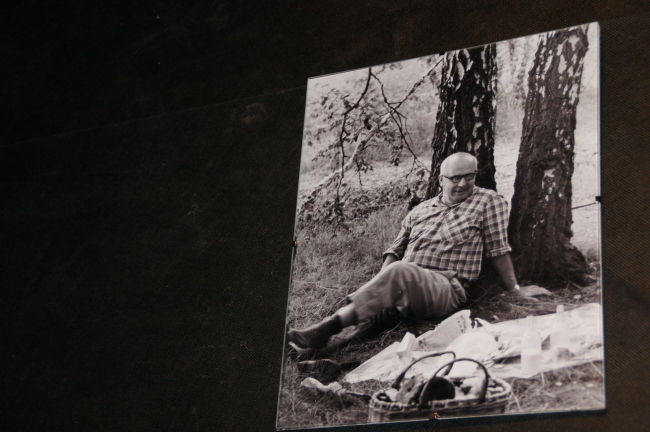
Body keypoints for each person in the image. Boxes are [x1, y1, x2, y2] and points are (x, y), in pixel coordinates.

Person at [288, 152, 534, 349]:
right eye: (455, 178)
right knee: (377, 308)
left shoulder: (488, 202)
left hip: (445, 288)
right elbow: (395, 249)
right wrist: (382, 283)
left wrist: (515, 289)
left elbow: (498, 250)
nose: (463, 183)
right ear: (441, 180)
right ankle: (310, 350)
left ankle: (328, 326)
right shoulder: (420, 210)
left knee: (398, 273)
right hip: (403, 283)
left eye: (469, 177)